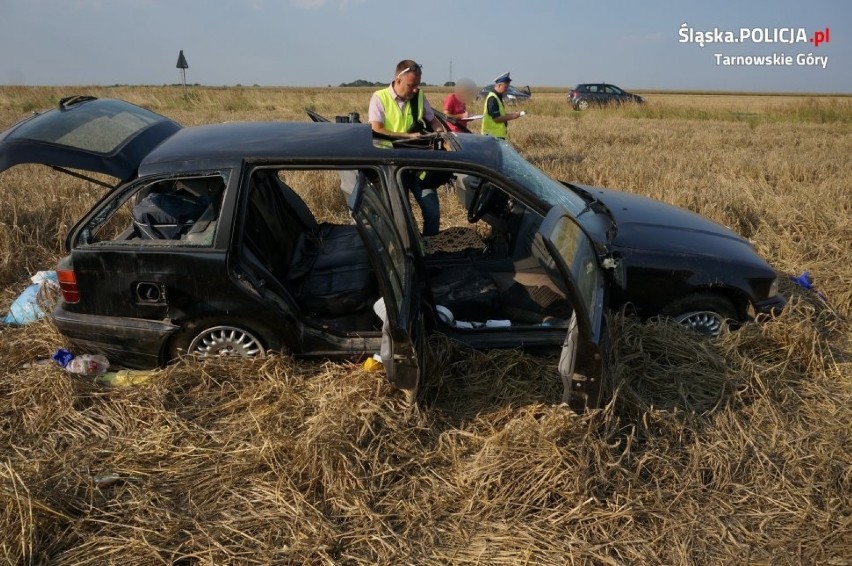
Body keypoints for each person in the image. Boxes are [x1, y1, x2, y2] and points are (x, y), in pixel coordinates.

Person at [368, 60, 446, 236]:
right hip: (392, 166)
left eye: (418, 85)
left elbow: (433, 121)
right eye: (411, 85)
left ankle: (431, 247)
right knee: (403, 216)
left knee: (432, 211)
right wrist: (409, 136)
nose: (415, 89)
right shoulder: (379, 97)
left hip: (418, 164)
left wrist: (443, 135)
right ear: (398, 80)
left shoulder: (419, 96)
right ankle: (412, 251)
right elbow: (377, 129)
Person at [481, 72, 523, 139]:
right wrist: (513, 116)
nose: (507, 89)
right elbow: (496, 119)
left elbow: (500, 114)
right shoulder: (493, 98)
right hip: (491, 136)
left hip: (496, 135)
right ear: (499, 85)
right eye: (505, 87)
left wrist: (513, 114)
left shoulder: (497, 96)